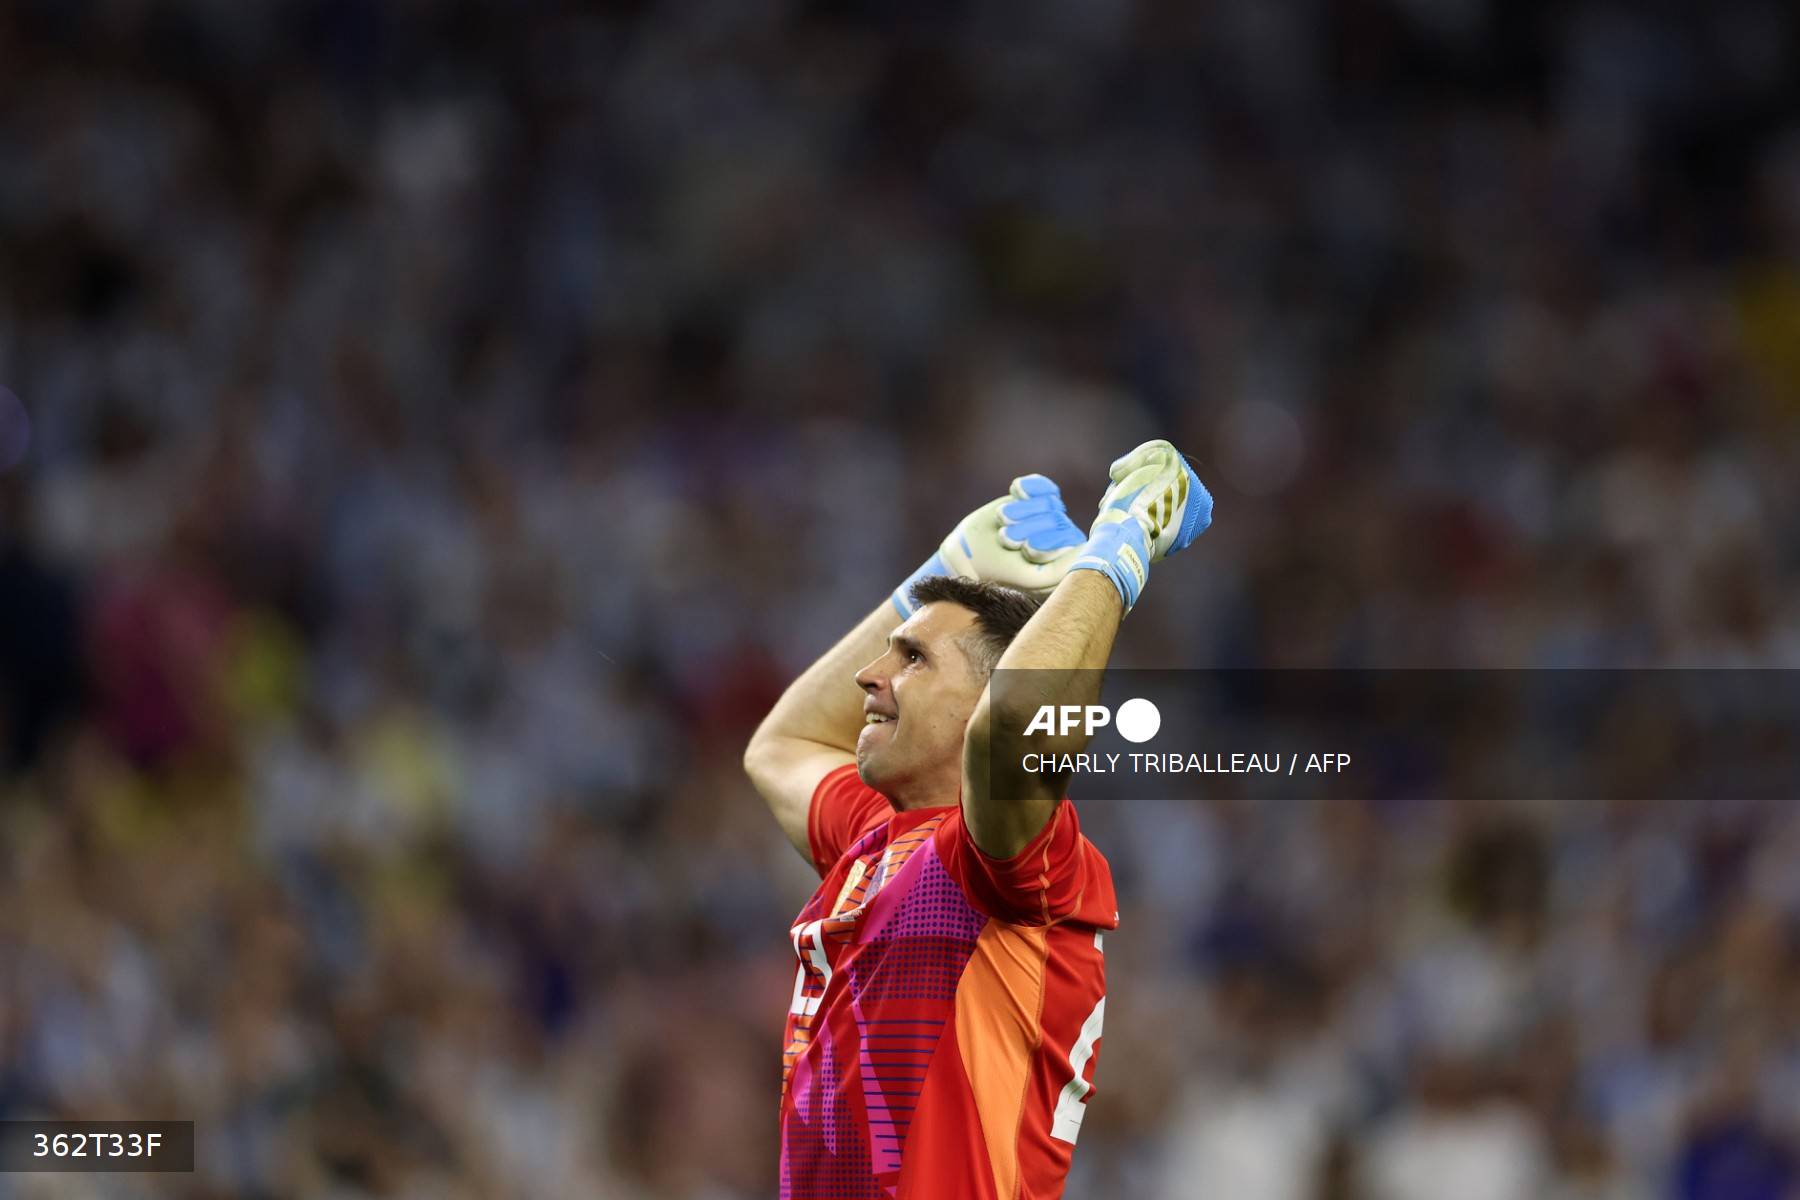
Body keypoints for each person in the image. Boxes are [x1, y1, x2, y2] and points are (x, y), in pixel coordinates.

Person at [744, 440, 1213, 1198]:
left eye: (912, 660)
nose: (870, 672)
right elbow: (781, 747)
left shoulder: (1007, 863)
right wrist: (944, 569)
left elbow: (1014, 725)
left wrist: (1120, 546)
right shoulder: (874, 841)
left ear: (978, 706)